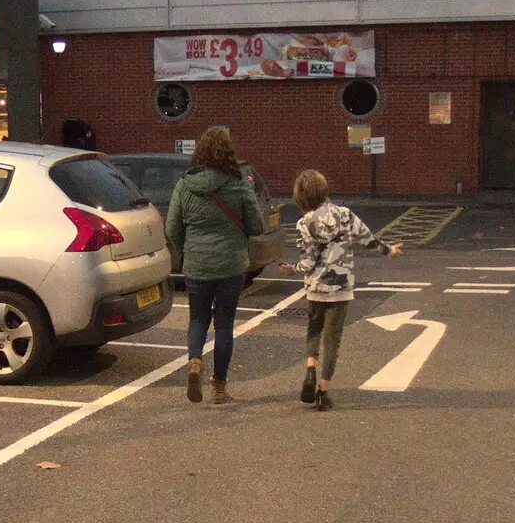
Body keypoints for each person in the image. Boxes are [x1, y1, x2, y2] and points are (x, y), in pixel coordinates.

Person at [281, 169, 403, 412]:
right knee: (332, 340)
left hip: (316, 288)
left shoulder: (304, 223)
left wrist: (292, 269)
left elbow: (307, 262)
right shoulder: (345, 215)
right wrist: (389, 250)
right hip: (341, 288)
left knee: (313, 330)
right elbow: (368, 239)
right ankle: (323, 392)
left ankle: (309, 370)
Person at [165, 127, 265, 405]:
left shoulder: (184, 185)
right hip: (231, 265)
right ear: (228, 151)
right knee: (224, 324)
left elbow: (172, 228)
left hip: (196, 264)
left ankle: (195, 360)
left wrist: (187, 251)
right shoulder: (238, 184)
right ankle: (219, 388)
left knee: (197, 319)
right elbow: (257, 226)